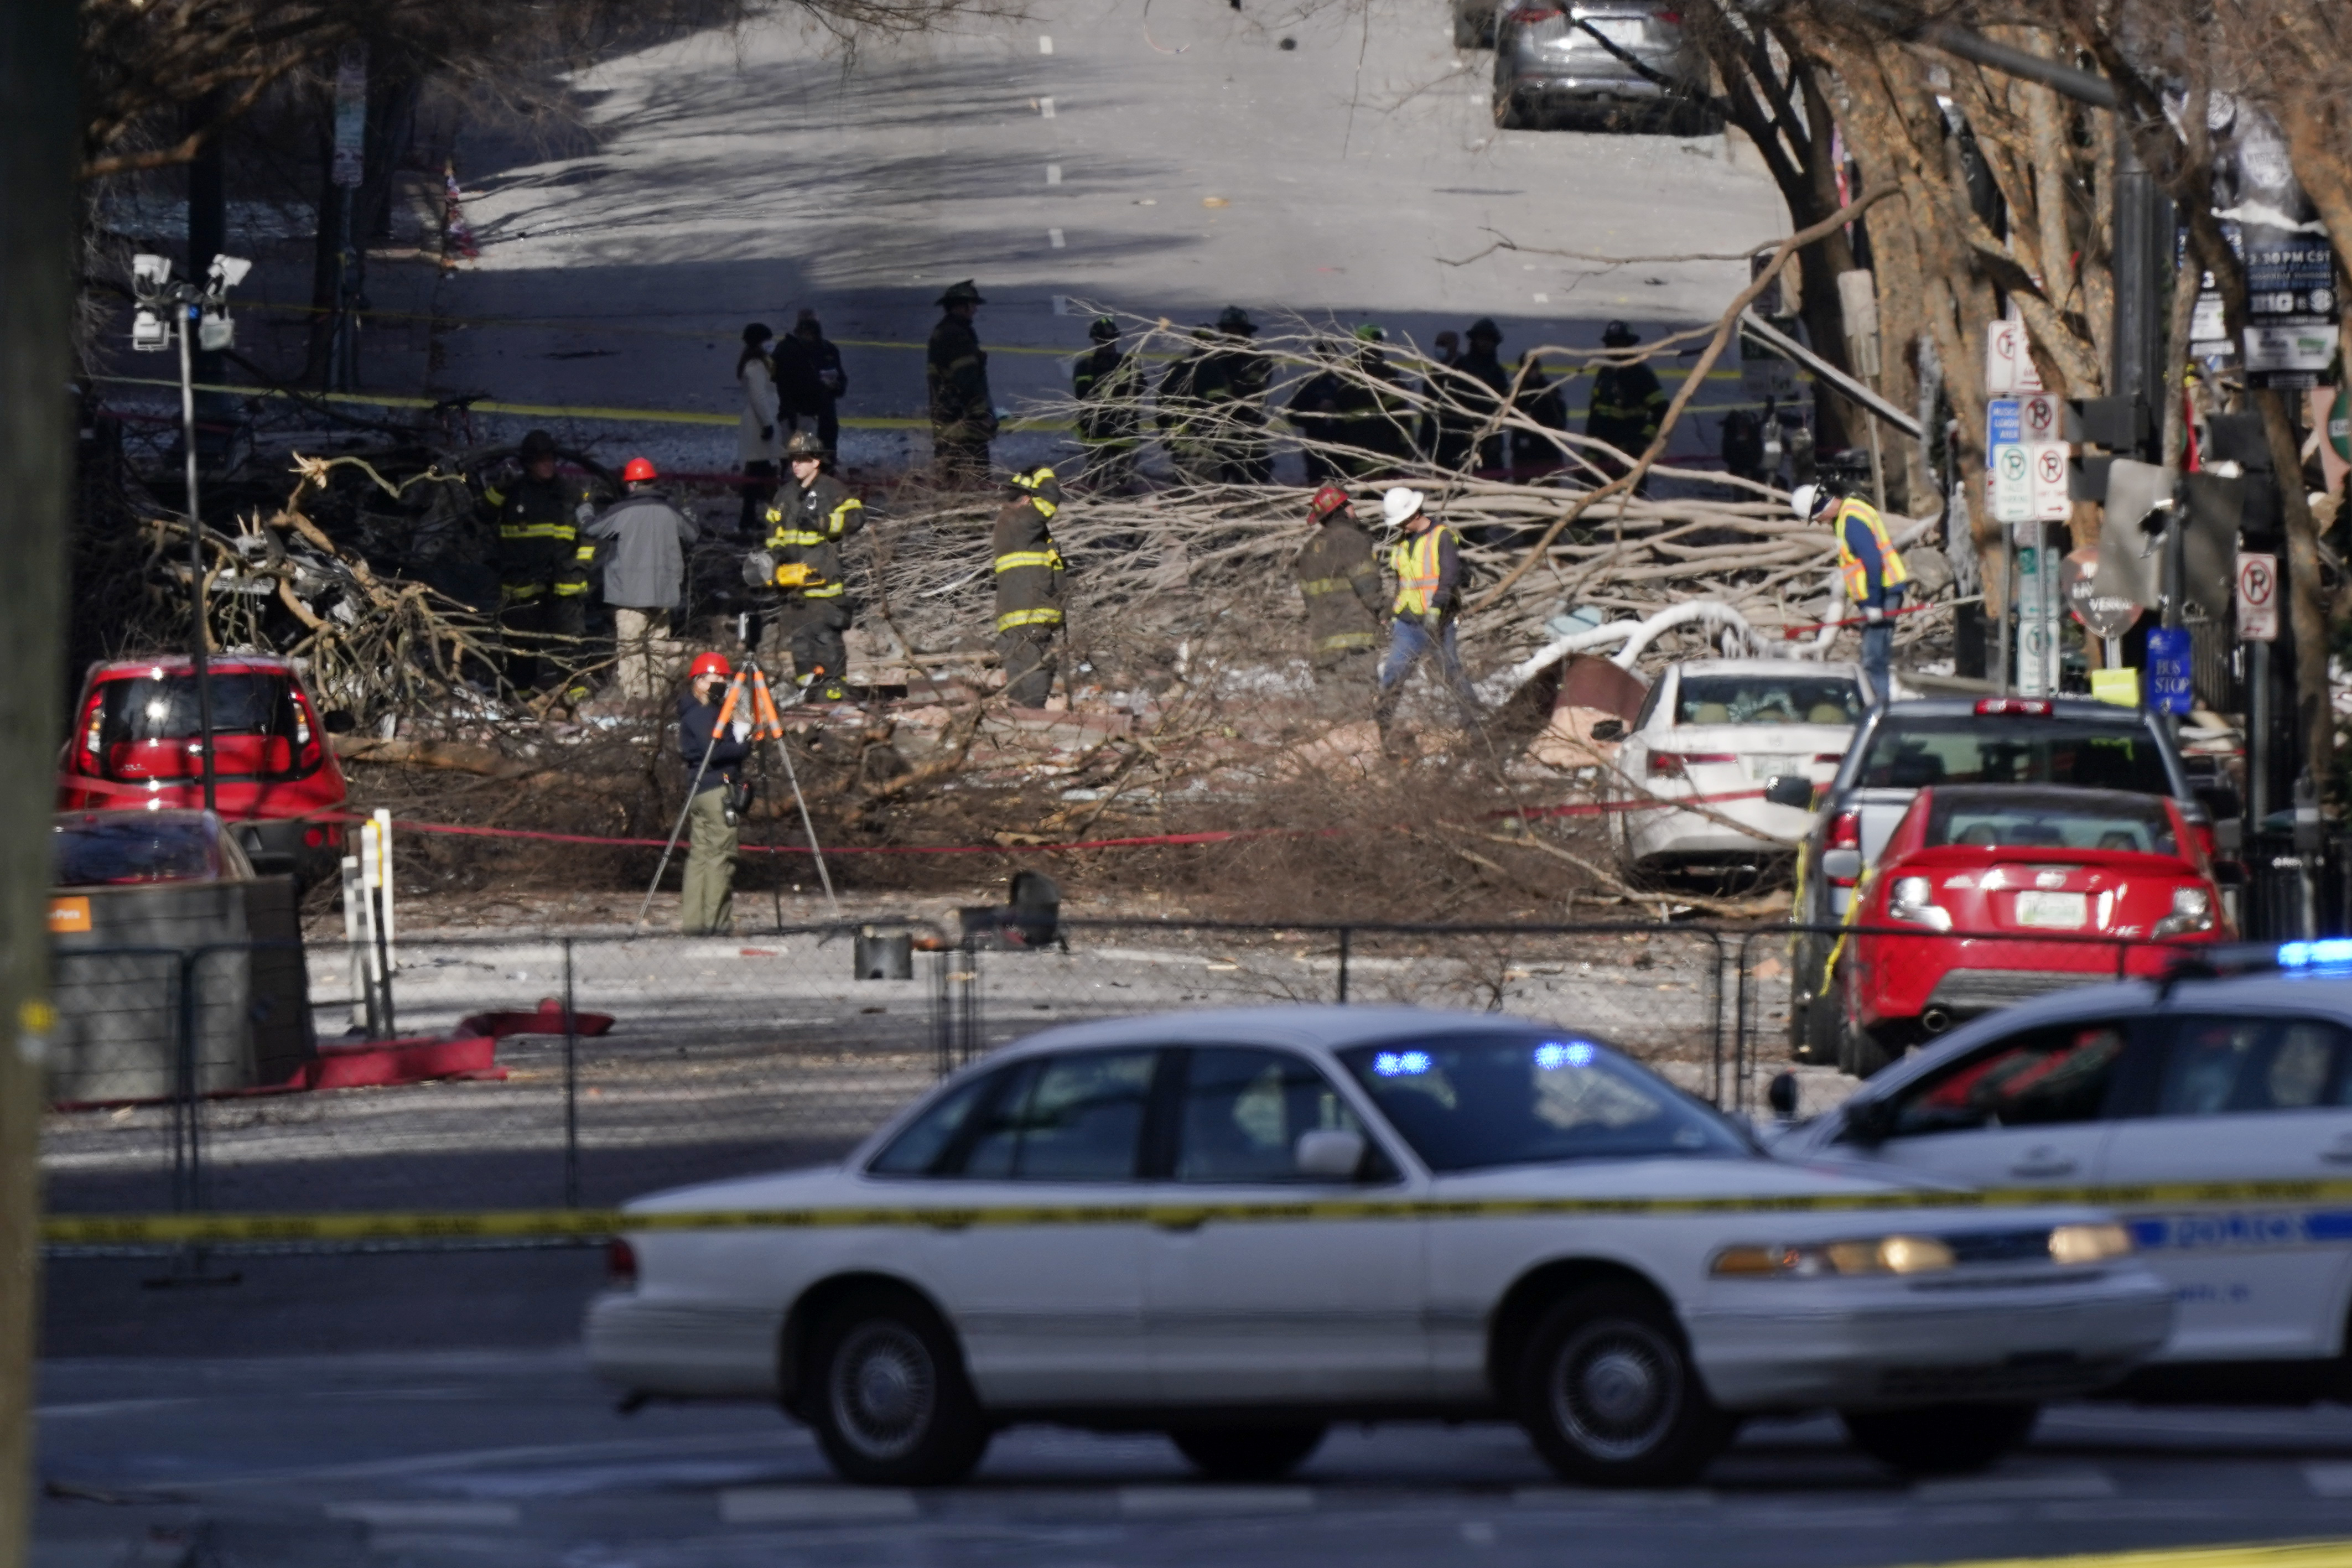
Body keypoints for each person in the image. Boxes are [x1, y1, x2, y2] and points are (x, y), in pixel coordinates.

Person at [484, 428, 595, 694]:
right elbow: (482, 515)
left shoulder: (571, 494)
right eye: (541, 460)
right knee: (520, 644)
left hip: (563, 584)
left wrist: (579, 568)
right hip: (522, 584)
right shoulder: (512, 493)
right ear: (528, 463)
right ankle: (519, 700)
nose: (548, 465)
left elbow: (591, 535)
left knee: (567, 643)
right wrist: (499, 488)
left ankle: (576, 699)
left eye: (550, 459)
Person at [760, 431, 864, 703]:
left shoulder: (832, 490)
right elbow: (773, 532)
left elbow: (856, 518)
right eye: (793, 459)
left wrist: (824, 523)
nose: (796, 464)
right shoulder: (784, 495)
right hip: (793, 582)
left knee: (826, 634)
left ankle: (834, 688)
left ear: (816, 462)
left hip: (823, 577)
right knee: (800, 640)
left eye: (802, 459)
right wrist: (775, 555)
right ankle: (808, 690)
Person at [584, 457, 698, 702]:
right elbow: (693, 534)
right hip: (663, 597)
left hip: (629, 598)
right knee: (657, 652)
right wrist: (688, 508)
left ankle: (636, 706)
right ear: (653, 483)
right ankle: (656, 705)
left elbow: (591, 529)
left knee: (631, 652)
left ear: (631, 485)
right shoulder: (671, 511)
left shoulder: (622, 511)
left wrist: (585, 507)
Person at [1373, 486, 1480, 743]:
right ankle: (1382, 723)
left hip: (1439, 620)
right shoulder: (1402, 543)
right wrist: (1392, 609)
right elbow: (1404, 582)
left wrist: (1436, 609)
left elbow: (1449, 576)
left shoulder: (1441, 537)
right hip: (1408, 621)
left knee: (1450, 671)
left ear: (1413, 514)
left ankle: (1475, 725)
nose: (1399, 526)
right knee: (1395, 671)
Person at [1795, 481, 1909, 704]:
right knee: (1875, 657)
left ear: (1820, 510)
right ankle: (1879, 704)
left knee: (1873, 659)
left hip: (1883, 594)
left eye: (1816, 519)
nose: (1819, 524)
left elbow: (1873, 561)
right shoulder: (1849, 513)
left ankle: (1880, 709)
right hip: (1882, 593)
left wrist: (1874, 602)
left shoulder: (1851, 521)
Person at [677, 652, 751, 934]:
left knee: (701, 856)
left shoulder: (697, 712)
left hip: (700, 789)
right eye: (717, 677)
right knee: (721, 855)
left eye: (725, 677)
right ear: (700, 681)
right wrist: (743, 742)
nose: (723, 682)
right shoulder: (703, 713)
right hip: (715, 789)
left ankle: (696, 923)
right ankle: (716, 924)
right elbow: (715, 751)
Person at [1294, 484, 1385, 693]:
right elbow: (1369, 588)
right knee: (1359, 708)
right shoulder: (1351, 540)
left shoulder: (1310, 550)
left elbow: (1308, 601)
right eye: (1349, 503)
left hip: (1322, 642)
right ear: (1342, 510)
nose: (1353, 508)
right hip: (1354, 641)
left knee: (1331, 712)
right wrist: (1386, 612)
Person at [993, 466, 1067, 707]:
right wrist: (1044, 472)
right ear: (1026, 499)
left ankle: (1022, 722)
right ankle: (1033, 719)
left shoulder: (1011, 524)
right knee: (1037, 665)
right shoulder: (1020, 520)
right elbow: (1050, 499)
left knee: (1021, 669)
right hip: (1030, 612)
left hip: (1020, 613)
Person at [1587, 320, 1670, 492]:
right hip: (1604, 456)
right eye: (1611, 344)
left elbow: (1662, 410)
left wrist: (1643, 440)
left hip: (1629, 457)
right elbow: (1595, 414)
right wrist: (1589, 454)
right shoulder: (1605, 373)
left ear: (1629, 345)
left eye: (1619, 344)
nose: (1614, 349)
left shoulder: (1641, 375)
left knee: (1631, 504)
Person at [927, 280, 996, 486]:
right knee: (972, 480)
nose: (975, 310)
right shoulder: (957, 335)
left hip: (947, 422)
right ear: (962, 305)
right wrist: (981, 414)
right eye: (972, 305)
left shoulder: (945, 331)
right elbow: (966, 379)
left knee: (951, 478)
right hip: (964, 426)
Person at [1194, 305, 1273, 483]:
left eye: (1233, 332)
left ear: (1244, 333)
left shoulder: (1259, 360)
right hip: (1218, 438)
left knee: (1251, 488)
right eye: (1225, 332)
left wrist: (1228, 391)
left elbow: (1252, 392)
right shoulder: (1215, 360)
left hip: (1248, 437)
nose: (1229, 337)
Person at [1426, 317, 1512, 474]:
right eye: (1481, 339)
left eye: (1489, 340)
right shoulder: (1460, 368)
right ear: (1474, 340)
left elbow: (1502, 408)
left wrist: (1493, 435)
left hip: (1488, 441)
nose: (1485, 343)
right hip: (1456, 441)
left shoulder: (1498, 374)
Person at [1331, 325, 1416, 480]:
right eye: (1377, 341)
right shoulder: (1385, 375)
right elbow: (1399, 415)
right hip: (1387, 457)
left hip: (1358, 459)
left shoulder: (1346, 378)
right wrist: (1409, 446)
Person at [1072, 315, 1144, 490]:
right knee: (1101, 483)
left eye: (1110, 341)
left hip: (1119, 434)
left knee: (1121, 484)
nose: (1108, 345)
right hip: (1101, 434)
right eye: (1104, 341)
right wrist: (1116, 389)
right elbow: (1084, 395)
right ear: (1096, 341)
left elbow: (1140, 388)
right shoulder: (1086, 366)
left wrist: (1107, 391)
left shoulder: (1128, 363)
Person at [736, 324, 782, 536]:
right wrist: (768, 424)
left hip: (763, 423)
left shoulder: (758, 363)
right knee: (763, 474)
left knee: (758, 474)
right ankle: (760, 519)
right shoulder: (755, 366)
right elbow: (758, 397)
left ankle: (749, 518)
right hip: (760, 425)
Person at [788, 309, 847, 458]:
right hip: (803, 412)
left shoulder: (829, 349)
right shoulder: (791, 351)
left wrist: (838, 386)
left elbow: (841, 376)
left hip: (826, 413)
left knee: (827, 453)